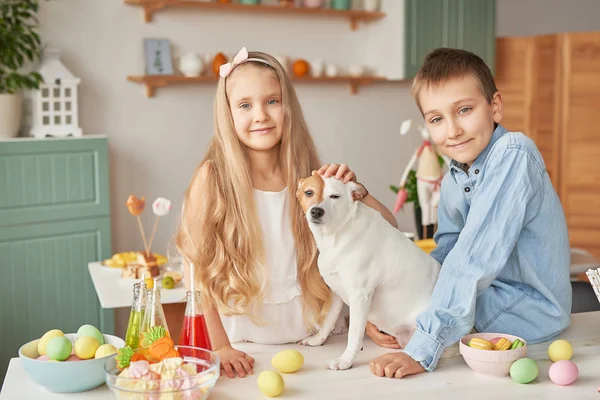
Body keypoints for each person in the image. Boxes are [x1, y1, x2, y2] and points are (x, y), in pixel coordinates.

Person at [175, 47, 396, 378]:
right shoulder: (213, 177)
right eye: (245, 105)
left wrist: (357, 193)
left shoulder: (312, 180)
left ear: (288, 107)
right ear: (228, 114)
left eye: (272, 101)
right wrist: (219, 345)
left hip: (322, 342)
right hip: (246, 347)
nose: (261, 115)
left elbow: (387, 233)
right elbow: (194, 266)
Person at [369, 47, 572, 378]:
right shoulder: (455, 173)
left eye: (464, 110)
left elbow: (473, 258)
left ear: (495, 107)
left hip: (527, 314)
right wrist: (395, 319)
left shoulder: (513, 155)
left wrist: (422, 348)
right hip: (484, 304)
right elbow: (445, 256)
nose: (452, 131)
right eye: (436, 119)